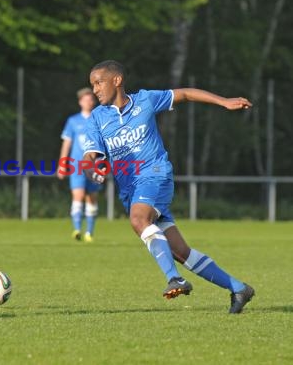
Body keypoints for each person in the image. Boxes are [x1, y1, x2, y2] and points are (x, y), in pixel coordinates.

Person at [83, 60, 255, 313]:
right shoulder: (97, 118)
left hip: (155, 174)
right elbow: (89, 159)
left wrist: (223, 101)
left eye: (98, 83)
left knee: (138, 219)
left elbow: (184, 94)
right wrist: (93, 171)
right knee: (180, 251)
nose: (95, 89)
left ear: (117, 80)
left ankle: (174, 279)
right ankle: (239, 288)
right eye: (92, 85)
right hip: (130, 188)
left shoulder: (145, 101)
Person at [57, 88, 102, 242]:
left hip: (95, 166)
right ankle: (77, 229)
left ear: (93, 101)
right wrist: (62, 164)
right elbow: (67, 143)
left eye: (91, 99)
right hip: (77, 165)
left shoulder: (99, 119)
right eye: (85, 99)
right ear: (80, 102)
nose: (88, 102)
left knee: (92, 198)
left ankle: (89, 232)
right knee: (78, 195)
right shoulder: (73, 121)